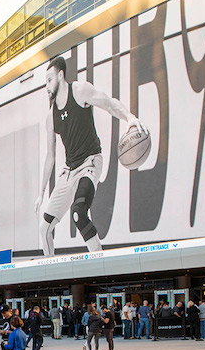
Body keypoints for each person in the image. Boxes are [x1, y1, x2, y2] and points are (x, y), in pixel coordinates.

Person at [34, 55, 144, 257]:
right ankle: (49, 274)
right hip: (69, 171)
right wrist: (41, 193)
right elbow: (50, 156)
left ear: (60, 75)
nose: (47, 86)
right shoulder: (51, 116)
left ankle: (100, 265)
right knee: (44, 227)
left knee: (78, 213)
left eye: (49, 80)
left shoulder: (80, 91)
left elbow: (109, 103)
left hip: (89, 162)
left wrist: (129, 117)